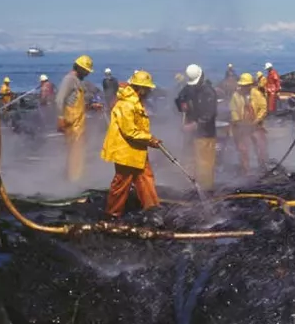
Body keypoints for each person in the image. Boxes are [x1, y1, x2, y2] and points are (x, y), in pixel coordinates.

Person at [101, 70, 162, 219]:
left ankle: (152, 210)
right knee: (122, 183)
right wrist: (149, 139)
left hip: (137, 149)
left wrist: (147, 140)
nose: (149, 92)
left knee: (145, 178)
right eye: (147, 88)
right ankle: (112, 215)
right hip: (125, 151)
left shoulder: (135, 102)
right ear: (140, 88)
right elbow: (129, 131)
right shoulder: (126, 105)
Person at [174, 64, 218, 192]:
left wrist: (195, 125)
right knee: (189, 158)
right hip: (191, 133)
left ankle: (206, 189)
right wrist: (182, 104)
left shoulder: (208, 91)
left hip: (205, 134)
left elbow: (210, 114)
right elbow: (179, 99)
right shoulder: (188, 88)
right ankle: (189, 186)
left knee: (205, 163)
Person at [56, 55, 98, 183]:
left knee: (79, 152)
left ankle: (76, 177)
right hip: (72, 122)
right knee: (75, 152)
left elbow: (74, 101)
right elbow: (59, 99)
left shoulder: (77, 80)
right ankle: (73, 181)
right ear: (80, 68)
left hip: (79, 122)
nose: (87, 74)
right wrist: (60, 118)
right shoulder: (69, 79)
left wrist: (91, 106)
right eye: (86, 71)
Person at [229, 72, 268, 174]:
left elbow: (263, 108)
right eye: (243, 86)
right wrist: (238, 121)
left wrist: (257, 121)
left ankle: (262, 167)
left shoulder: (257, 94)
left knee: (260, 147)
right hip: (242, 126)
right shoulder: (236, 96)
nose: (245, 88)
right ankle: (245, 170)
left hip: (255, 125)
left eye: (247, 86)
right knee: (243, 149)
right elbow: (233, 110)